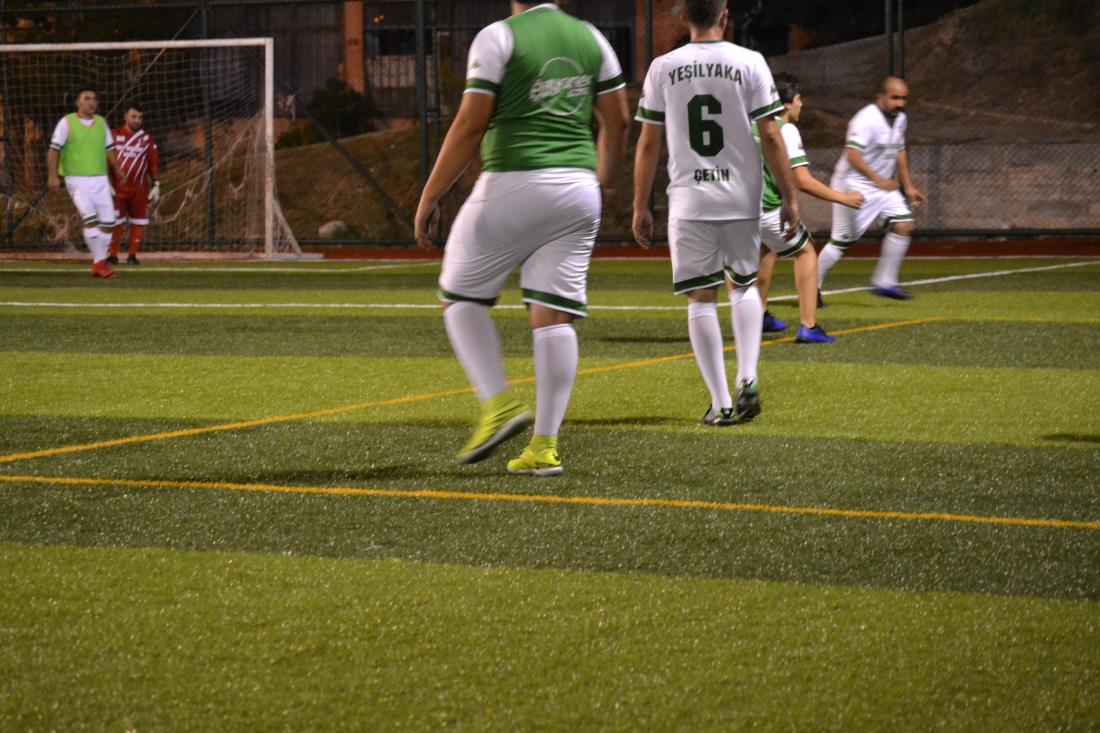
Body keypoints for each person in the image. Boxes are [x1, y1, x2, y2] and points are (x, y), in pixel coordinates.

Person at [413, 0, 629, 475]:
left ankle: (498, 405)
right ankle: (544, 447)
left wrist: (431, 194)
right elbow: (618, 120)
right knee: (553, 317)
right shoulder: (592, 38)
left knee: (459, 296)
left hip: (513, 181)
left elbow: (471, 124)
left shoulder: (498, 36)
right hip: (578, 189)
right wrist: (604, 180)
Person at [633, 0, 797, 426]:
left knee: (701, 298)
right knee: (743, 286)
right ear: (725, 17)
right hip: (741, 198)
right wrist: (790, 197)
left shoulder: (662, 67)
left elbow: (648, 143)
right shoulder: (750, 62)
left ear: (684, 17)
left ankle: (722, 403)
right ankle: (748, 376)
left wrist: (639, 204)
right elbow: (771, 135)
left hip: (690, 201)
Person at [744, 72, 864, 343]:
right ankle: (808, 325)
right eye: (799, 98)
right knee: (806, 251)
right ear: (786, 104)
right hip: (767, 208)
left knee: (766, 249)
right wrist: (843, 198)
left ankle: (759, 316)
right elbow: (803, 181)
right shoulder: (785, 130)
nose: (802, 104)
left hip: (740, 209)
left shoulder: (751, 125)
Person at [817, 76, 927, 302]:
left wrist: (908, 186)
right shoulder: (866, 119)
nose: (900, 103)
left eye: (904, 98)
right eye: (894, 98)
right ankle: (812, 288)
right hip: (852, 185)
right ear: (881, 96)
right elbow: (853, 156)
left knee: (904, 225)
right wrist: (878, 180)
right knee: (842, 242)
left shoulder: (900, 118)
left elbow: (899, 151)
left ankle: (884, 282)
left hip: (882, 186)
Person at [47, 87, 127, 278]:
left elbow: (109, 148)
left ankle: (98, 264)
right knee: (90, 219)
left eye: (94, 98)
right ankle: (101, 264)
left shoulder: (101, 122)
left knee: (108, 222)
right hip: (76, 179)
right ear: (78, 103)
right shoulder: (66, 122)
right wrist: (52, 175)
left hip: (100, 178)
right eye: (87, 98)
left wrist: (117, 168)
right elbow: (54, 150)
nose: (91, 102)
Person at [108, 105, 160, 265]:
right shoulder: (114, 134)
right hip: (118, 187)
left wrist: (156, 184)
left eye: (140, 117)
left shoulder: (147, 138)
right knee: (115, 221)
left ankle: (132, 255)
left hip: (139, 188)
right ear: (125, 117)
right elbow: (105, 160)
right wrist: (106, 182)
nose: (137, 120)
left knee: (139, 220)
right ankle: (112, 255)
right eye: (134, 116)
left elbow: (153, 163)